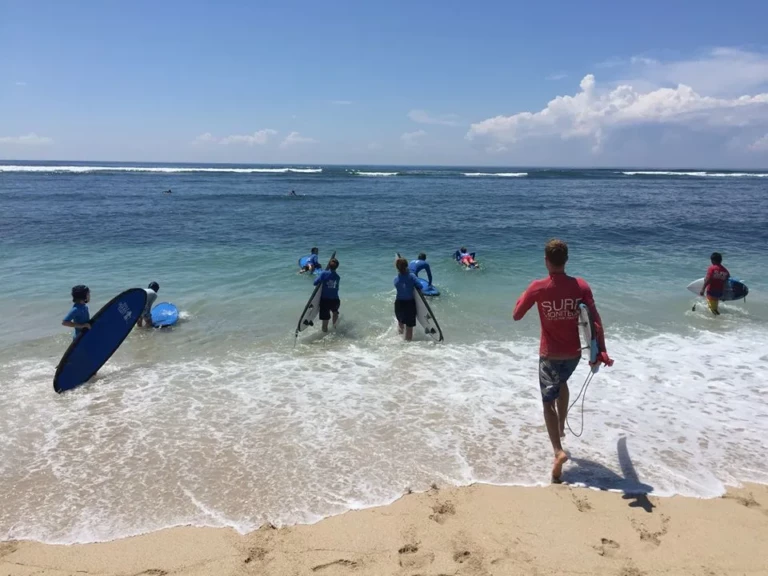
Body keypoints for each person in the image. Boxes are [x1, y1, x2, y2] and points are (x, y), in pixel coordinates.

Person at [512, 239, 613, 482]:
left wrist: (528, 293)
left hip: (550, 355)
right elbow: (595, 320)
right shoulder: (580, 286)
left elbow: (516, 315)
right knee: (563, 383)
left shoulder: (538, 287)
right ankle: (561, 425)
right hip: (574, 354)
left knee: (548, 403)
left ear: (546, 261)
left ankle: (558, 452)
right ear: (566, 260)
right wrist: (600, 351)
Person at [394, 257, 422, 341]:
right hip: (409, 304)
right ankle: (408, 346)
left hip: (398, 304)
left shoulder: (396, 279)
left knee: (401, 323)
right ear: (407, 266)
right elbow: (420, 286)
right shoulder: (411, 276)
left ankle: (399, 341)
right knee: (409, 327)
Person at [314, 258, 340, 332]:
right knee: (335, 313)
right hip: (335, 300)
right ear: (337, 267)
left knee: (325, 322)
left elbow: (315, 283)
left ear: (328, 265)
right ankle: (335, 328)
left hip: (325, 301)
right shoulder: (338, 277)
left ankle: (325, 335)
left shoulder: (324, 273)